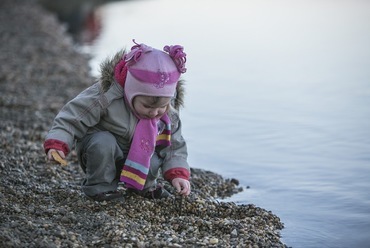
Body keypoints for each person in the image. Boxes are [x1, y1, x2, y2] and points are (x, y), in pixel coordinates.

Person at [44, 40, 191, 202]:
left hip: (137, 154)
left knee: (154, 154)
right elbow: (73, 118)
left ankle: (144, 186)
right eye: (147, 106)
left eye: (161, 107)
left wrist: (178, 174)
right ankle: (100, 187)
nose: (155, 112)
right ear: (131, 92)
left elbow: (174, 146)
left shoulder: (168, 113)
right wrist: (58, 142)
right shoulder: (107, 96)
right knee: (103, 142)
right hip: (104, 154)